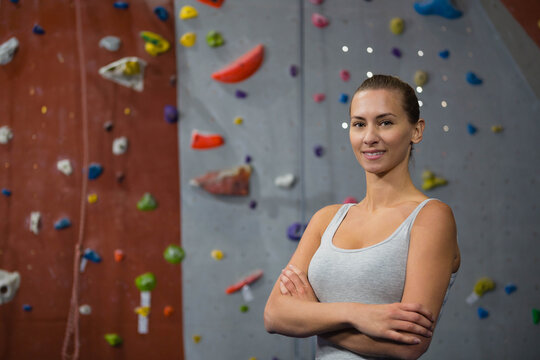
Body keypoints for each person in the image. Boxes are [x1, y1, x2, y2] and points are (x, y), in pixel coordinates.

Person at [264, 74, 461, 360]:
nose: (369, 137)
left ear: (416, 131)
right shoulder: (326, 219)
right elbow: (274, 314)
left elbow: (409, 345)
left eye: (385, 122)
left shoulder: (430, 217)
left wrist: (312, 317)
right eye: (359, 124)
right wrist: (356, 314)